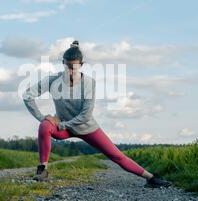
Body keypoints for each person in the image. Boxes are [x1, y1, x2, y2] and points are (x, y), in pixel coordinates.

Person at [22, 40, 171, 188]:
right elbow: (27, 95)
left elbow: (85, 115)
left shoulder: (88, 83)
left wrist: (63, 124)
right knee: (44, 126)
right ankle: (42, 170)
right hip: (63, 128)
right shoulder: (52, 80)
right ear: (63, 63)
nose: (71, 71)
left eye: (74, 67)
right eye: (68, 66)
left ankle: (151, 178)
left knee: (117, 156)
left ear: (81, 65)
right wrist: (42, 117)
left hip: (86, 127)